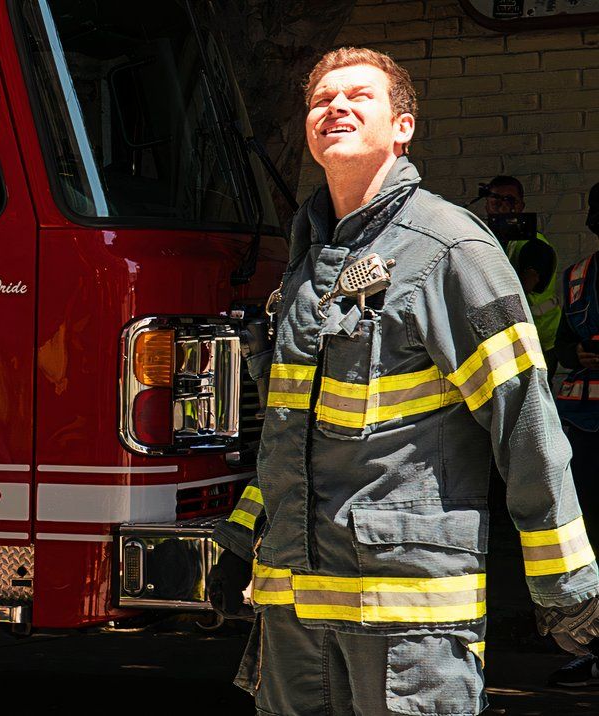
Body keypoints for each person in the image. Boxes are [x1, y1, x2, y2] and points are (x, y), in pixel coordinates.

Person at [206, 48, 599, 715]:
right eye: (322, 99)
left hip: (408, 623)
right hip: (294, 617)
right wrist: (244, 537)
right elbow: (289, 435)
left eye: (359, 95)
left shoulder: (451, 250)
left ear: (404, 127)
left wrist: (565, 580)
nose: (336, 106)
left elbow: (525, 418)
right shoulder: (307, 269)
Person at [548, 182, 599, 688]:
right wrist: (575, 355)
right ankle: (589, 649)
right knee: (584, 544)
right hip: (583, 431)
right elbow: (562, 343)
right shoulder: (579, 277)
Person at [486, 175, 561, 361]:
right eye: (495, 199)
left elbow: (524, 284)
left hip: (536, 343)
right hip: (512, 341)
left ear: (521, 206)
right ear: (487, 203)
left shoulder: (534, 245)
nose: (502, 206)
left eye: (510, 200)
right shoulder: (495, 242)